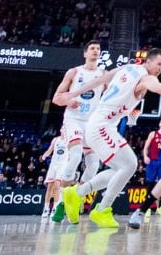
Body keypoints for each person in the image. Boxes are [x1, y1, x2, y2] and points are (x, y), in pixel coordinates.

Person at [57, 48, 161, 229]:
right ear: (148, 62)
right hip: (101, 126)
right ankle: (101, 209)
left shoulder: (126, 67)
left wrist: (74, 93)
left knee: (121, 169)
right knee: (130, 165)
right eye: (159, 64)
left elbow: (101, 79)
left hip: (100, 124)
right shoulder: (146, 78)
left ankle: (77, 193)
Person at [48, 41, 106, 222]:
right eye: (92, 49)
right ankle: (59, 205)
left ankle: (73, 199)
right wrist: (69, 102)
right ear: (85, 53)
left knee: (94, 166)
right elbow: (56, 98)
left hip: (92, 123)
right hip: (73, 120)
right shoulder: (74, 72)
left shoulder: (103, 75)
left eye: (98, 49)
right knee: (74, 157)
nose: (96, 51)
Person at [142, 118, 161, 215]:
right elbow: (146, 147)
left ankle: (160, 208)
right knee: (150, 184)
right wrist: (145, 156)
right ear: (160, 123)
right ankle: (147, 208)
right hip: (152, 161)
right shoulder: (152, 134)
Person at [39, 134, 65, 217]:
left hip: (63, 165)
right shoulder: (55, 139)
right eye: (62, 128)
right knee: (50, 186)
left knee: (57, 186)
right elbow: (50, 150)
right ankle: (46, 209)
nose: (63, 130)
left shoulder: (69, 139)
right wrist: (44, 156)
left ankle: (55, 208)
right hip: (53, 165)